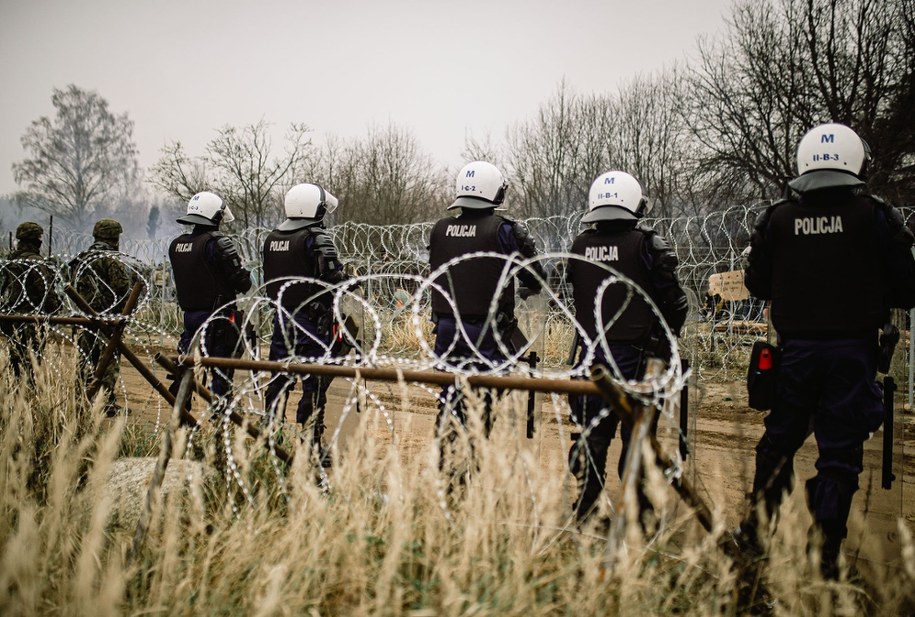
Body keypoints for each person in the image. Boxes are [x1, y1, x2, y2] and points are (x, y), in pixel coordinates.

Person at [737, 123, 915, 579]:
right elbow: (907, 286)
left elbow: (755, 282)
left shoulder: (777, 218)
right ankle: (826, 554)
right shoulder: (874, 216)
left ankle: (756, 536)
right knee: (840, 453)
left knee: (778, 441)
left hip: (794, 352)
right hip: (853, 352)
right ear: (855, 160)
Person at [566, 171, 688, 524]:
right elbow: (676, 302)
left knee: (592, 433)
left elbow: (572, 291)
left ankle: (586, 508)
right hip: (636, 356)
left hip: (589, 355)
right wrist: (665, 340)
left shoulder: (579, 245)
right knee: (637, 433)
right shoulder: (647, 244)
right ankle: (637, 510)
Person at [427, 161, 545, 476]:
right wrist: (527, 290)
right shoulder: (504, 230)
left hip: (447, 327)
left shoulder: (440, 229)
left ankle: (445, 464)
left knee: (451, 392)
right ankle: (467, 470)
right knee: (484, 397)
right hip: (488, 330)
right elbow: (536, 275)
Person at [261, 183, 347, 464]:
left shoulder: (272, 239)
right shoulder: (316, 238)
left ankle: (269, 437)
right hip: (312, 322)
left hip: (281, 317)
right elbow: (333, 281)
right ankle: (310, 443)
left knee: (279, 377)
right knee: (314, 383)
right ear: (316, 209)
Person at [168, 191, 252, 407]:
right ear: (213, 216)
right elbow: (242, 283)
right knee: (220, 368)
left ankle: (181, 413)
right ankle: (220, 415)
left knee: (188, 364)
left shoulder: (177, 245)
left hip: (190, 316)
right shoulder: (217, 243)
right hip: (218, 317)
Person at [71, 218, 133, 415]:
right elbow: (122, 286)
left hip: (84, 315)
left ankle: (81, 397)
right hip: (108, 316)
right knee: (107, 360)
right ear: (114, 238)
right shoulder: (109, 257)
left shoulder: (82, 257)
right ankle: (104, 402)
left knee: (85, 358)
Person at [0, 222, 61, 377]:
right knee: (30, 362)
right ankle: (25, 395)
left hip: (9, 317)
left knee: (15, 358)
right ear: (36, 240)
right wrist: (56, 309)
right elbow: (45, 291)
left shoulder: (10, 261)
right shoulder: (36, 262)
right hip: (31, 318)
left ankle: (13, 394)